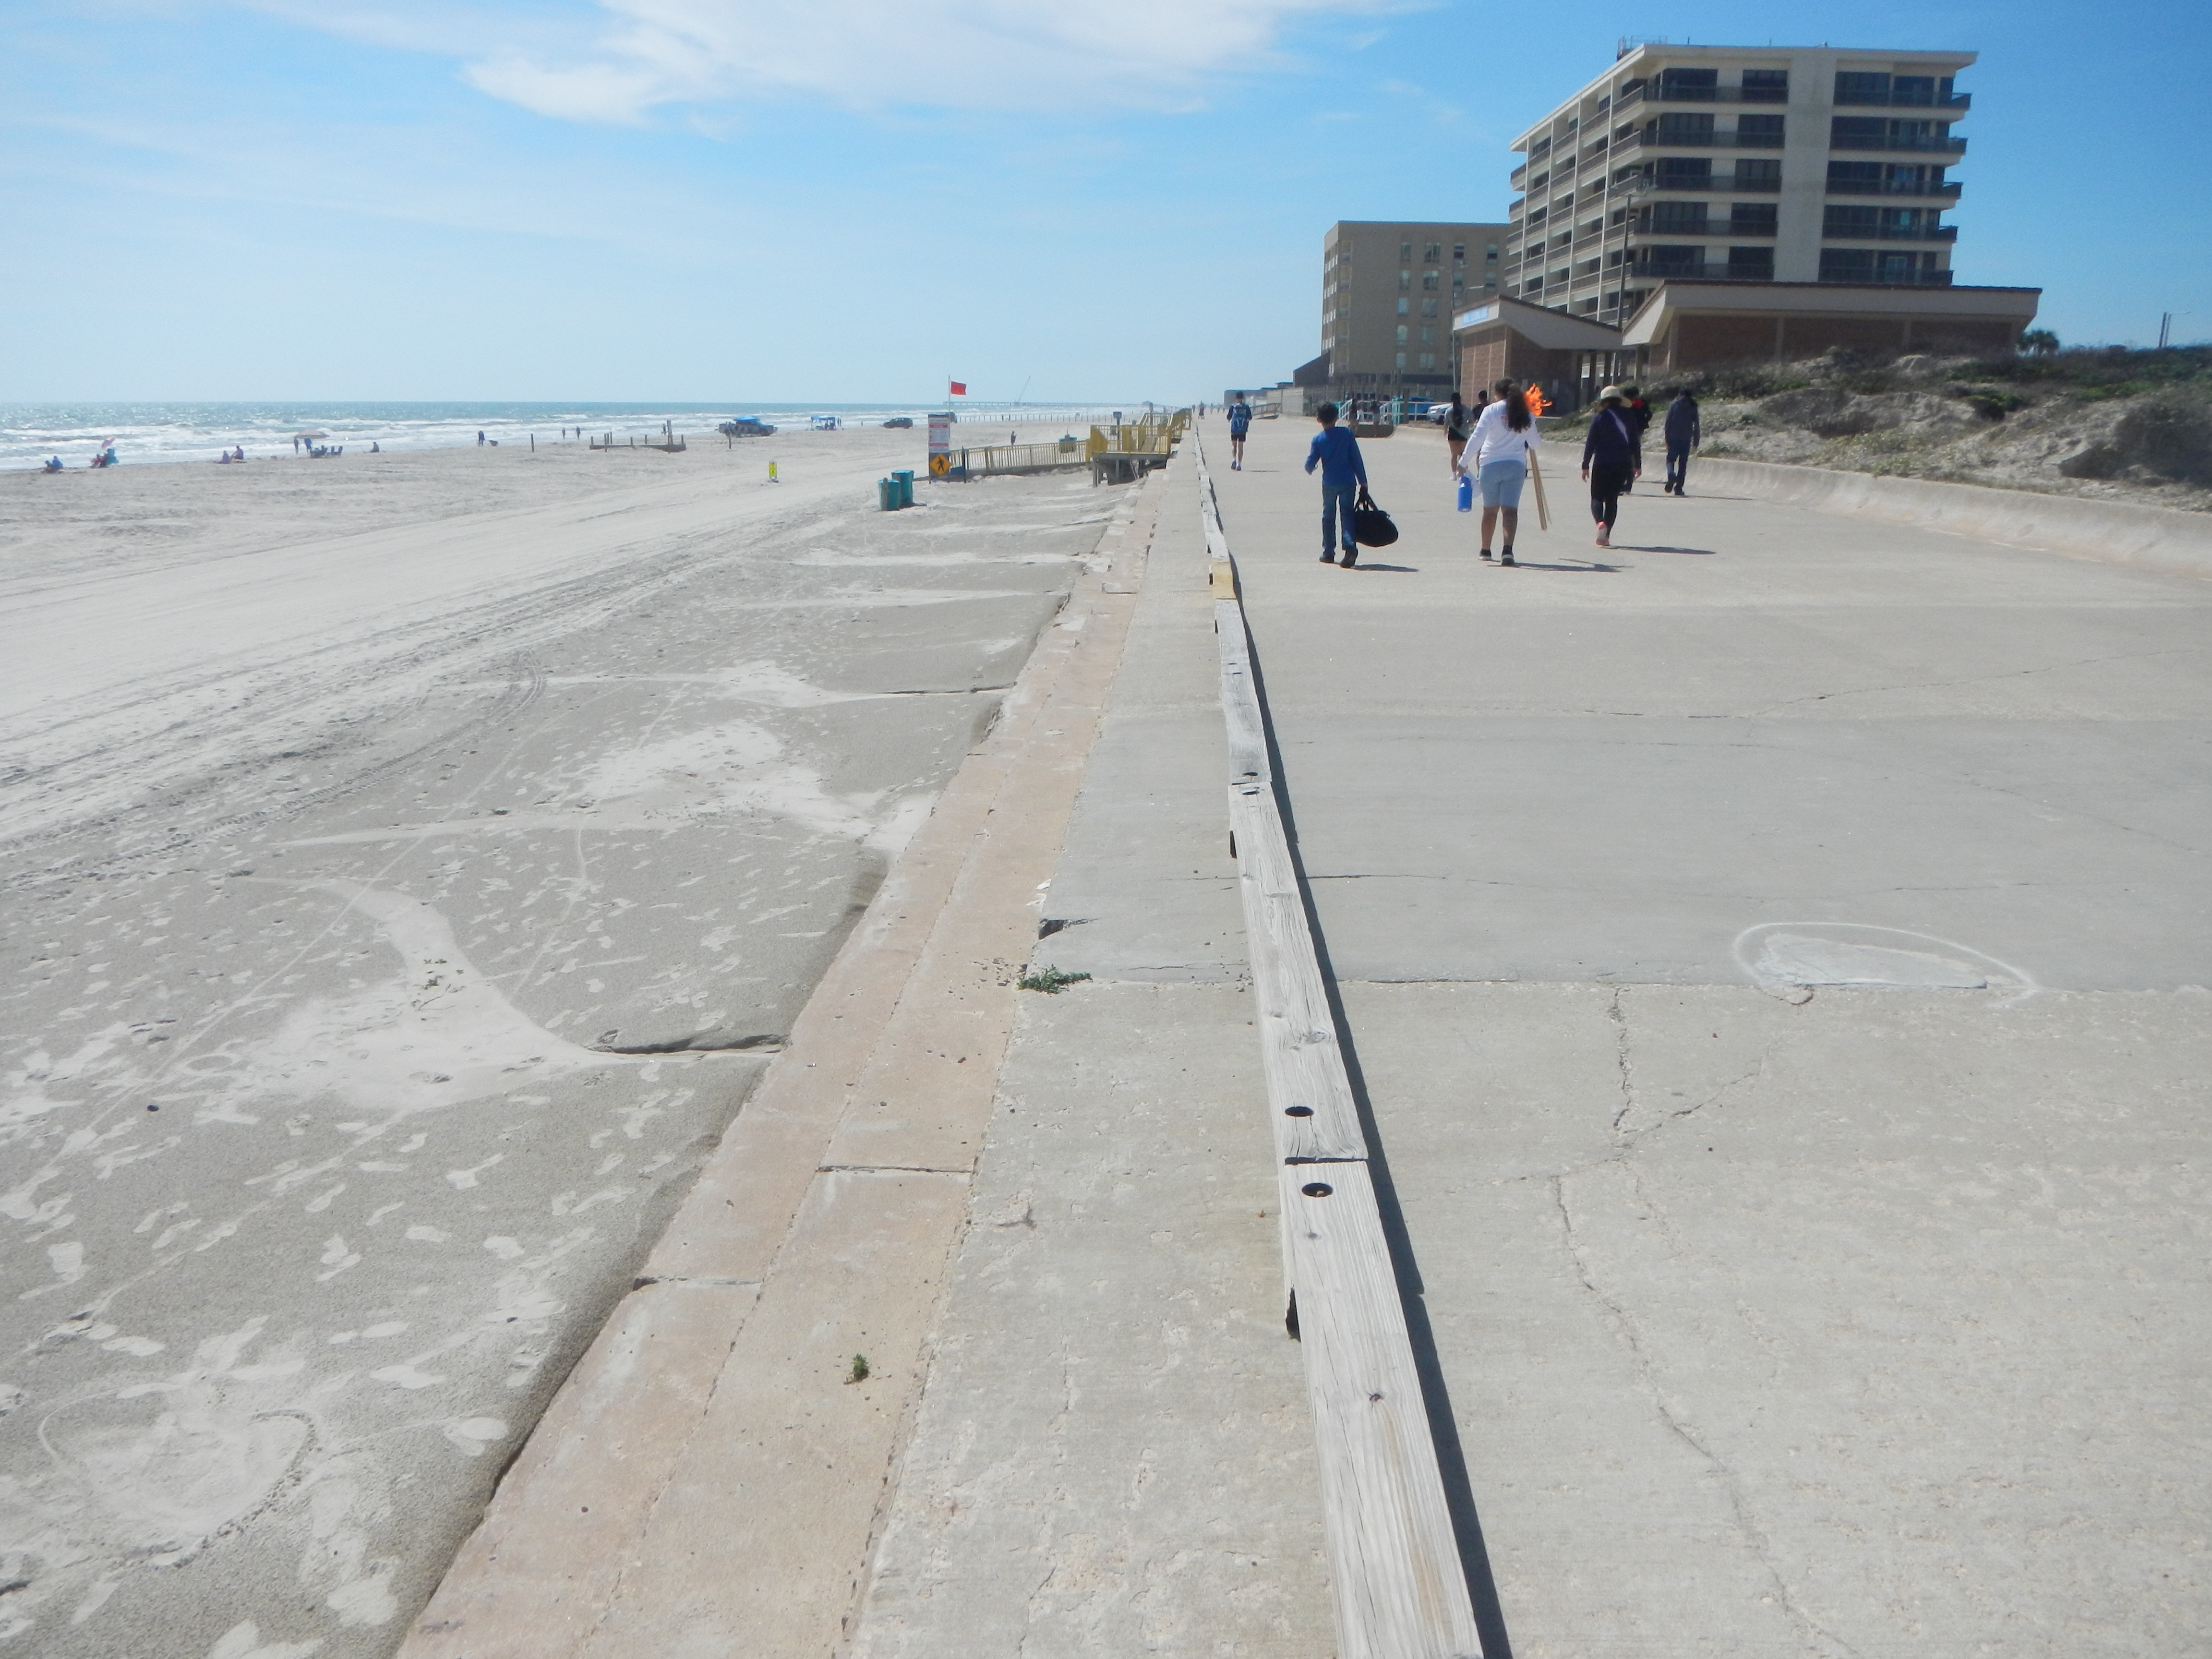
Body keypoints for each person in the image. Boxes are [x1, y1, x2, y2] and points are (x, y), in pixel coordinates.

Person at [1455, 378, 1539, 565]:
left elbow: (1478, 437)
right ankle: (1507, 550)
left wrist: (1463, 461)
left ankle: (1486, 550)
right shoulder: (1525, 412)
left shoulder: (1491, 410)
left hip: (1490, 464)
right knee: (1510, 510)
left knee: (1490, 511)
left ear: (1497, 394)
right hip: (1515, 465)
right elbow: (1536, 443)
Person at [1304, 401, 1369, 566]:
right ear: (1337, 418)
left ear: (1319, 420)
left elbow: (1309, 464)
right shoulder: (1346, 434)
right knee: (1347, 514)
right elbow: (1356, 458)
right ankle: (1349, 547)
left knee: (1328, 516)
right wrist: (1363, 482)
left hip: (1330, 483)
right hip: (1348, 482)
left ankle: (1328, 552)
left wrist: (1311, 467)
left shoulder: (1318, 440)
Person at [1582, 386, 1642, 549]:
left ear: (1604, 401)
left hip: (1602, 463)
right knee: (1612, 500)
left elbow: (1591, 443)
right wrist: (1638, 465)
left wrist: (1585, 465)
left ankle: (1600, 522)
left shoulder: (1600, 417)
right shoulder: (1629, 416)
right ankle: (1606, 537)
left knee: (1596, 497)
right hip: (1623, 463)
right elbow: (1635, 442)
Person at [1663, 389, 1701, 494]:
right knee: (1683, 464)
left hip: (1674, 438)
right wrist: (1696, 441)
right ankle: (1679, 488)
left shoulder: (1674, 404)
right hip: (1687, 439)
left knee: (1670, 460)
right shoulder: (1693, 406)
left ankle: (1671, 475)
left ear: (1680, 395)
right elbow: (1696, 425)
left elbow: (1668, 423)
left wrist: (1667, 439)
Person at [1443, 391, 1470, 473]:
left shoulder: (1449, 410)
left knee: (1454, 455)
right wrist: (1467, 424)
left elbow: (1446, 423)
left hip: (1453, 434)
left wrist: (1445, 431)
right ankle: (1462, 473)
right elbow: (1472, 420)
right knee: (1462, 455)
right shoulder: (1466, 409)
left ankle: (1454, 474)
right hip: (1464, 434)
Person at [1227, 396, 1252, 469]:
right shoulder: (1246, 407)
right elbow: (1250, 417)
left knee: (1234, 446)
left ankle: (1234, 460)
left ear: (1236, 399)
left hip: (1234, 430)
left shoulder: (1233, 407)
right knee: (1241, 448)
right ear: (1243, 398)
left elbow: (1229, 418)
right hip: (1243, 430)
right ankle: (1239, 465)